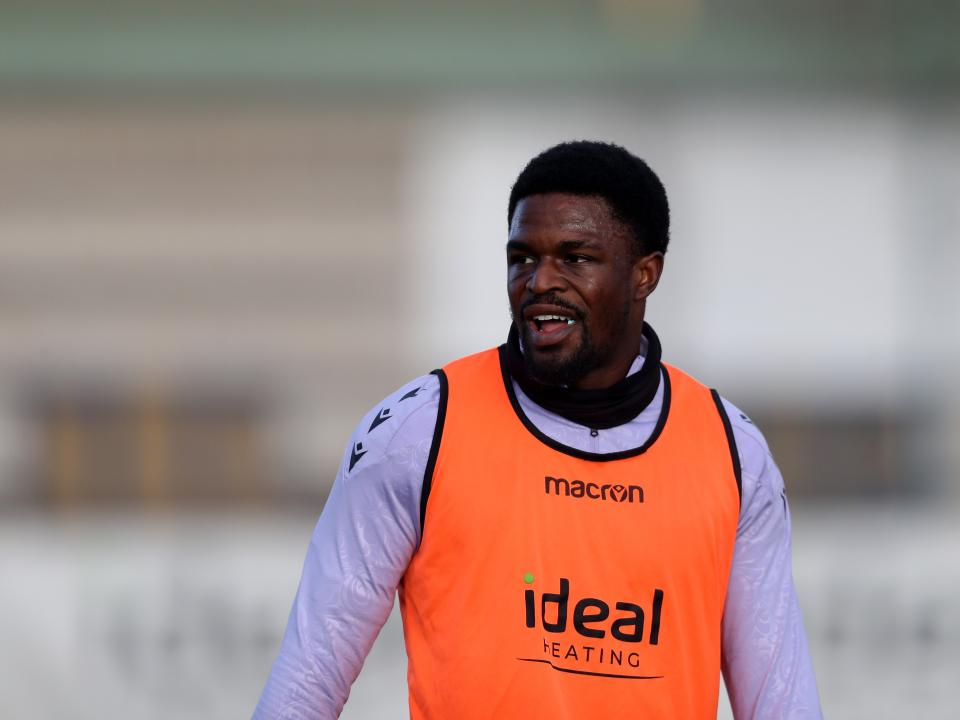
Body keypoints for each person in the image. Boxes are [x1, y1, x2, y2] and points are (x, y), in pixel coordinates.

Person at [254, 141, 823, 719]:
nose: (539, 281)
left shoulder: (732, 451)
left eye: (574, 258)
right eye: (522, 257)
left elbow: (783, 701)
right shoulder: (418, 429)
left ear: (645, 275)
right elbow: (307, 682)